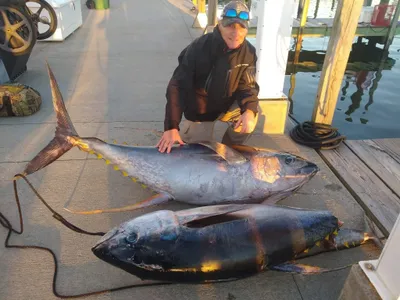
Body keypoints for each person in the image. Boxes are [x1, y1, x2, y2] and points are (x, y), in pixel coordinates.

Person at [156, 0, 260, 153]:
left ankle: (229, 149)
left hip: (227, 105)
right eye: (230, 25)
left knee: (252, 113)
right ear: (220, 25)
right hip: (201, 110)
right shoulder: (199, 48)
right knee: (195, 151)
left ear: (246, 29)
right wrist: (171, 126)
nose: (235, 33)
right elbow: (177, 87)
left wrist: (249, 111)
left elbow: (248, 86)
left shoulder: (249, 52)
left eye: (241, 27)